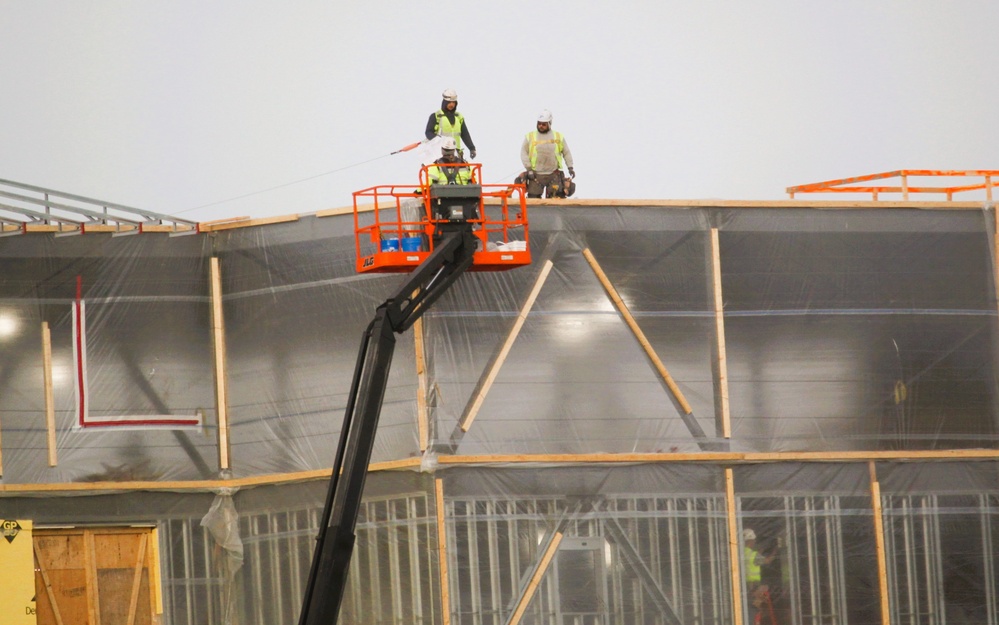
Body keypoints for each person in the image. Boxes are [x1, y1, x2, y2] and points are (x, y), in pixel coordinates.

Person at [519, 109, 575, 198]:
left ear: (550, 123)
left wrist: (570, 167)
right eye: (539, 123)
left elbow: (566, 152)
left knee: (557, 200)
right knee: (533, 201)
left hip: (554, 174)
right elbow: (523, 152)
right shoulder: (530, 136)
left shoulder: (558, 136)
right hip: (535, 175)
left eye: (544, 124)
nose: (541, 126)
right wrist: (529, 168)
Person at [425, 88, 477, 160]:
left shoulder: (458, 117)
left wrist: (472, 148)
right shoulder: (436, 116)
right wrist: (437, 138)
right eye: (449, 102)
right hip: (440, 153)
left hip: (456, 153)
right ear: (445, 102)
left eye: (453, 102)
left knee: (464, 170)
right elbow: (428, 132)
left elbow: (465, 134)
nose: (452, 104)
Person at [742, 528, 776, 622]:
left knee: (750, 606)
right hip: (754, 585)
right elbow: (767, 561)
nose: (755, 542)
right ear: (751, 541)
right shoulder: (754, 555)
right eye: (754, 540)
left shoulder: (740, 552)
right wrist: (775, 552)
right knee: (756, 606)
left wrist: (759, 552)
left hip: (744, 585)